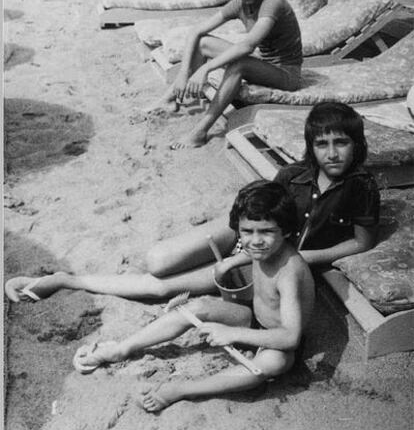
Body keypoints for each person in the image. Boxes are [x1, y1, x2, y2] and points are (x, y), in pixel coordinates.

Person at [5, 101, 379, 303]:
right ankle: (71, 279)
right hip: (245, 234)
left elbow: (361, 242)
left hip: (274, 255)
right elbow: (257, 212)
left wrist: (290, 257)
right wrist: (235, 240)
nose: (331, 153)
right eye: (322, 143)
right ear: (311, 145)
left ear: (356, 145)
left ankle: (64, 281)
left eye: (341, 143)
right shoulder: (291, 175)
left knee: (161, 287)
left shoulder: (360, 187)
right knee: (157, 259)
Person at [72, 181, 315, 412]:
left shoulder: (289, 273)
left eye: (266, 232)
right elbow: (256, 250)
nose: (255, 241)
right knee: (198, 307)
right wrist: (231, 262)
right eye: (247, 232)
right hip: (255, 320)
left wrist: (232, 334)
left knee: (272, 364)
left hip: (278, 341)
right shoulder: (264, 249)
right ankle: (123, 348)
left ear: (286, 232)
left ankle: (183, 389)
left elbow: (291, 337)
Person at [149, 0, 302, 149]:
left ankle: (199, 133)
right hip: (265, 64)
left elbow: (247, 46)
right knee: (203, 42)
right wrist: (183, 73)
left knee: (239, 63)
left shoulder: (273, 2)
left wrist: (205, 69)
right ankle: (170, 99)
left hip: (287, 74)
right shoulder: (241, 3)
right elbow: (196, 31)